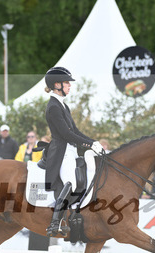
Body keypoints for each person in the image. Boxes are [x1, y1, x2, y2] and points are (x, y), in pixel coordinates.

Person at [42, 67, 102, 237]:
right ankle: (54, 223)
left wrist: (93, 142)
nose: (69, 86)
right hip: (61, 151)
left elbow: (75, 131)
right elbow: (66, 134)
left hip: (70, 150)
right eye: (67, 83)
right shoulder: (53, 107)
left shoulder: (63, 105)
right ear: (57, 85)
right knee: (72, 183)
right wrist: (89, 144)